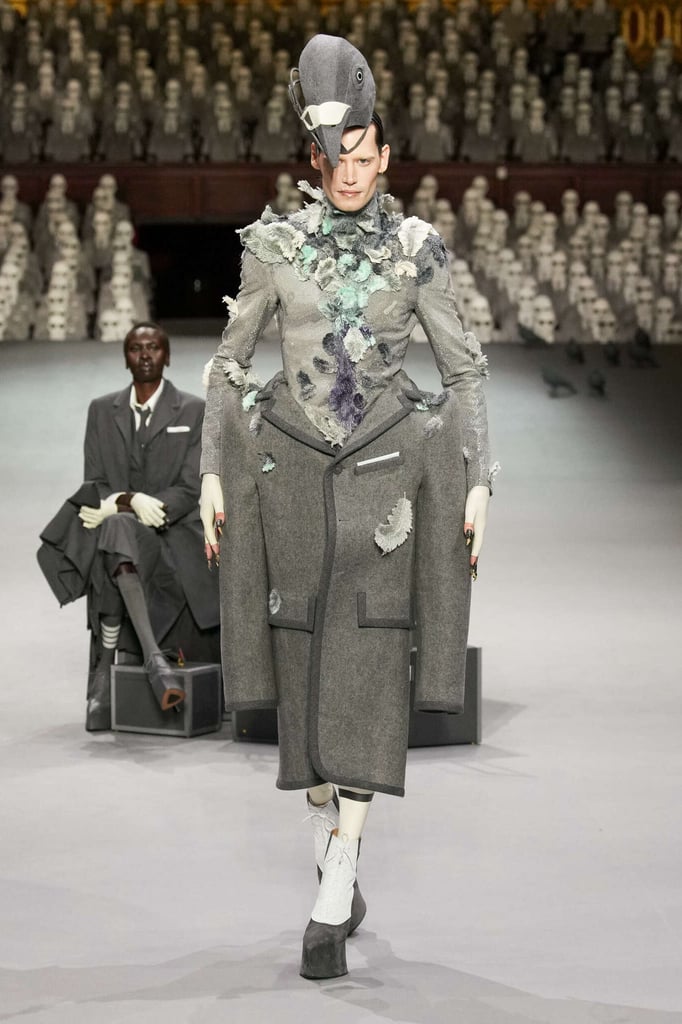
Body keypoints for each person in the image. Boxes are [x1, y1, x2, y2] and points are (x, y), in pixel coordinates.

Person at [199, 35, 493, 981]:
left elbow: (464, 369)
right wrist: (214, 468)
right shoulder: (273, 248)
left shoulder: (416, 252)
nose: (354, 173)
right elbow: (229, 363)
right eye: (339, 159)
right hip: (289, 485)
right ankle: (331, 833)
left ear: (386, 154)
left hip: (383, 492)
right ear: (315, 158)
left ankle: (337, 877)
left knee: (366, 669)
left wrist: (477, 476)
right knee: (304, 681)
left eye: (367, 156)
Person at [38, 322, 219, 730]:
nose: (145, 355)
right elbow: (95, 482)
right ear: (125, 358)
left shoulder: (193, 410)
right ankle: (156, 663)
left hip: (172, 537)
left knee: (112, 537)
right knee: (117, 529)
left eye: (153, 347)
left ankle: (104, 676)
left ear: (166, 356)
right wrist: (129, 500)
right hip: (126, 536)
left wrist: (138, 505)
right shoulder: (102, 411)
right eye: (136, 348)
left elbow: (191, 487)